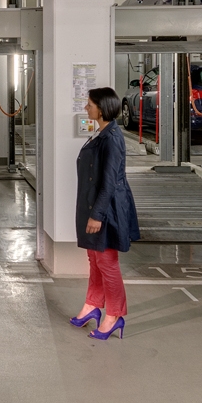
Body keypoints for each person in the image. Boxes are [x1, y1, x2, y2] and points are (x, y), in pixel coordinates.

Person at [71, 86, 140, 339]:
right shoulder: (102, 133)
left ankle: (114, 315)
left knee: (107, 262)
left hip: (107, 210)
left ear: (101, 109)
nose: (86, 108)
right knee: (95, 258)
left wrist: (97, 215)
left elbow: (109, 183)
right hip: (96, 206)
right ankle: (92, 305)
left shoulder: (112, 138)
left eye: (89, 105)